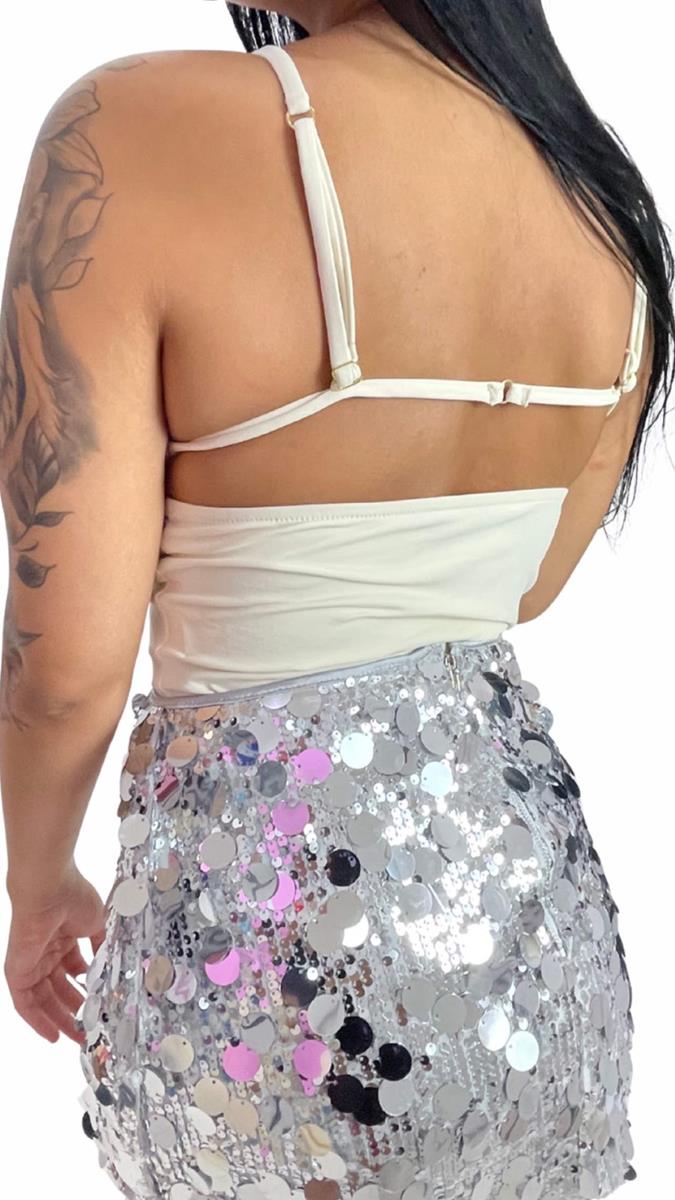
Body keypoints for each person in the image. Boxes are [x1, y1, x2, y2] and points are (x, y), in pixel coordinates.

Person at [0, 2, 672, 1198]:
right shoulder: (601, 201)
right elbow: (527, 584)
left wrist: (38, 880)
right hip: (533, 933)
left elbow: (67, 666)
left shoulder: (135, 129)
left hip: (268, 931)